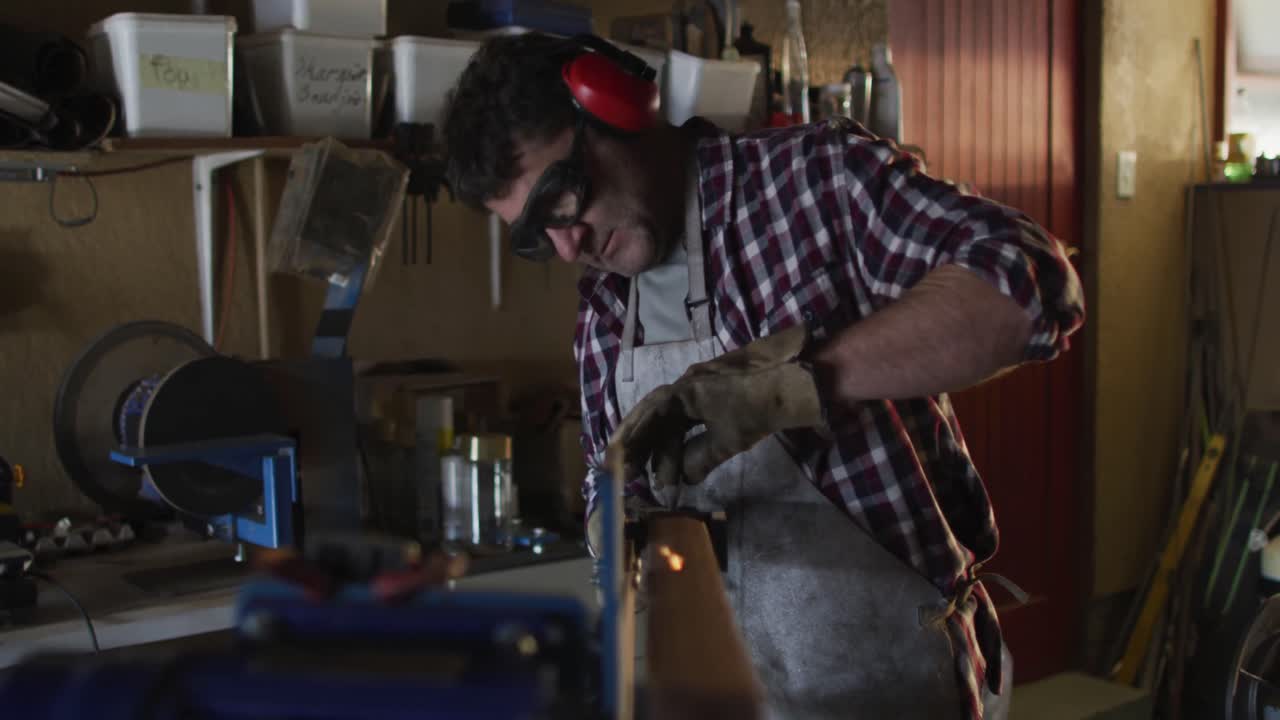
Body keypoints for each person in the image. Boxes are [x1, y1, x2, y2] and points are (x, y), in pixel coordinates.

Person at [443, 32, 1085, 720]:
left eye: (561, 200)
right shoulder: (605, 310)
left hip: (892, 682)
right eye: (537, 235)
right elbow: (613, 479)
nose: (568, 245)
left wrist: (787, 385)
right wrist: (615, 518)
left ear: (619, 108)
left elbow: (1030, 287)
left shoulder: (813, 183)